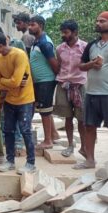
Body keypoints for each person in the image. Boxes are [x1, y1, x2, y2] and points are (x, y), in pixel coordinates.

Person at [0, 32, 36, 174]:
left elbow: (12, 82)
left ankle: (31, 162)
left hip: (25, 99)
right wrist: (9, 83)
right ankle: (10, 161)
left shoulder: (19, 55)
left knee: (26, 131)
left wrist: (4, 81)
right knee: (8, 130)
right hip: (9, 99)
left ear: (1, 45)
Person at [77, 11, 108, 169]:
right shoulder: (92, 45)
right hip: (91, 93)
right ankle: (90, 160)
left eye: (102, 21)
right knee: (89, 126)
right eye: (97, 21)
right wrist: (91, 64)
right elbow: (81, 66)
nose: (98, 23)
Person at [54, 20, 87, 158]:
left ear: (75, 33)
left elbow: (88, 65)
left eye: (66, 32)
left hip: (79, 85)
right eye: (62, 32)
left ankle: (84, 147)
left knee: (81, 119)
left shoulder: (85, 47)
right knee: (67, 117)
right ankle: (70, 145)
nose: (63, 35)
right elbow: (59, 65)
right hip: (63, 85)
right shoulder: (60, 48)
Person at [29, 15, 60, 148]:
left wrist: (52, 80)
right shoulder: (36, 41)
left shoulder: (44, 43)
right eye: (29, 25)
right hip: (40, 81)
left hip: (45, 81)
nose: (30, 27)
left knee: (45, 111)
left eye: (33, 24)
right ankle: (54, 134)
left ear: (40, 25)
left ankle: (48, 141)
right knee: (44, 109)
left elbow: (55, 65)